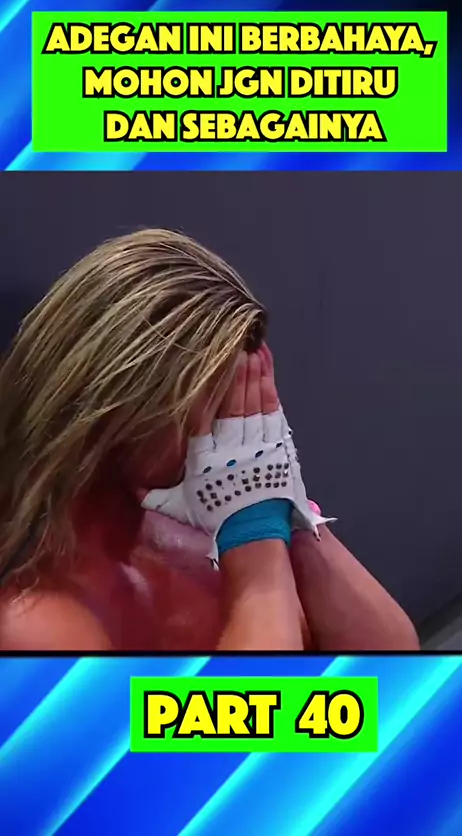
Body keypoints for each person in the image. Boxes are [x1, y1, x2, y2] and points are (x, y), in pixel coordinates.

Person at [0, 229, 419, 652]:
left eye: (245, 400)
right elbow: (261, 695)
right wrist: (258, 574)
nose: (235, 428)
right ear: (124, 404)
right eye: (220, 402)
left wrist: (285, 507)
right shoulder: (31, 616)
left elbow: (392, 668)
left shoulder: (208, 514)